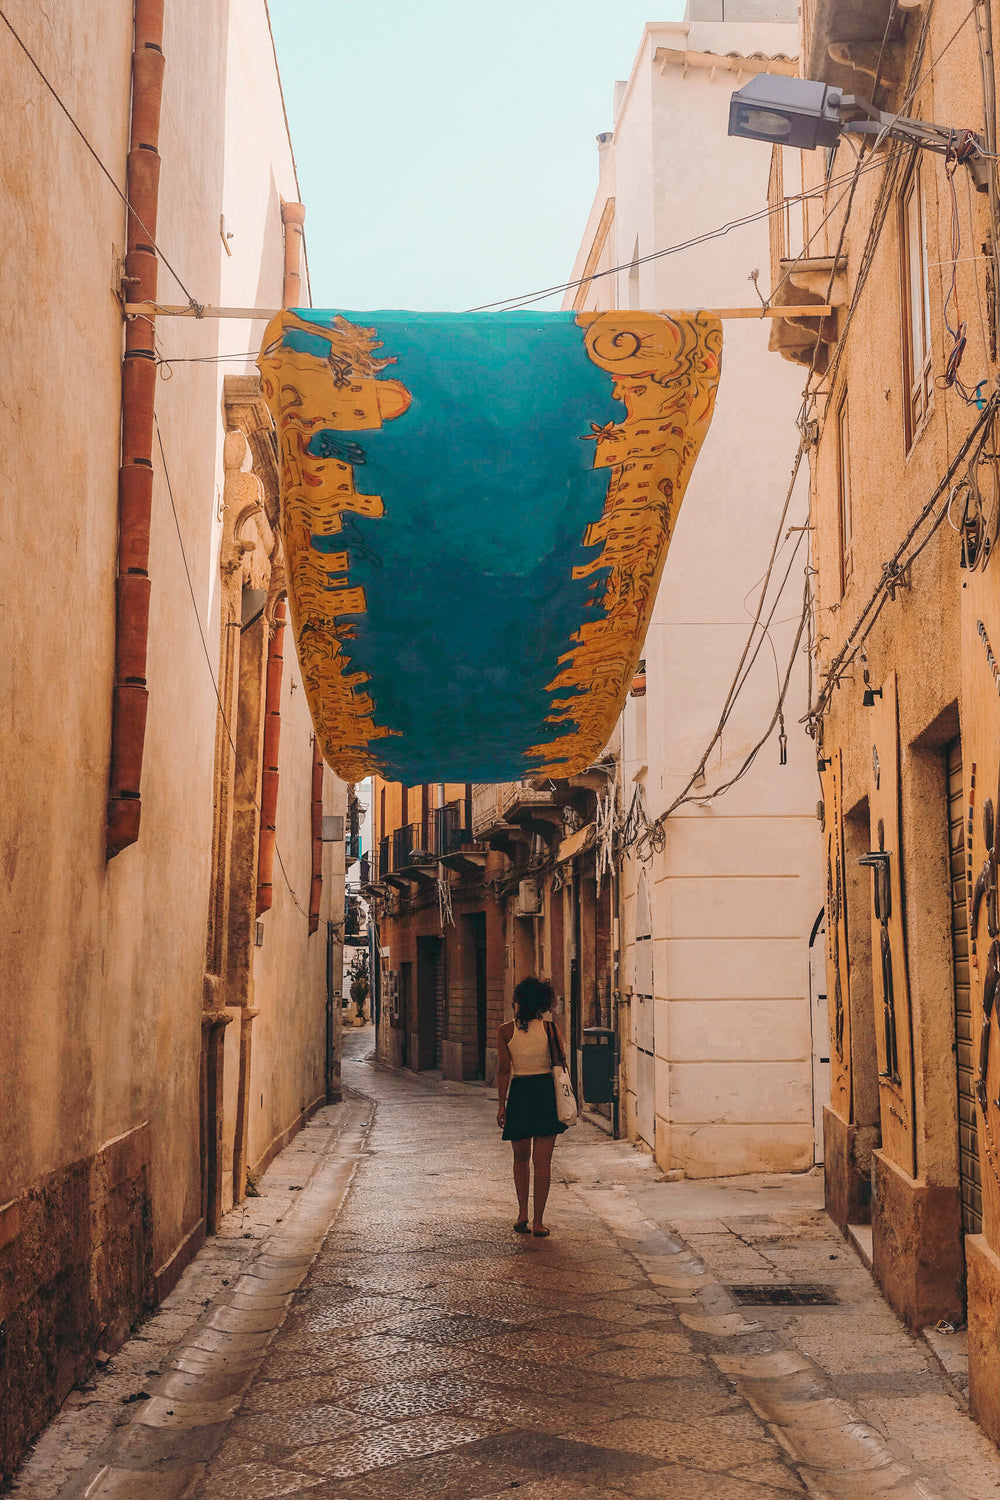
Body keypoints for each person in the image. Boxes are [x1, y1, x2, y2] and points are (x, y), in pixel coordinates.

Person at [496, 976, 568, 1238]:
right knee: (543, 1162)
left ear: (518, 1001)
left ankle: (521, 1214)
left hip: (520, 1092)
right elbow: (562, 1063)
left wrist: (501, 1105)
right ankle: (538, 1222)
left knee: (520, 1159)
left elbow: (504, 1070)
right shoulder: (551, 1030)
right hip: (545, 1092)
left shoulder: (505, 1031)